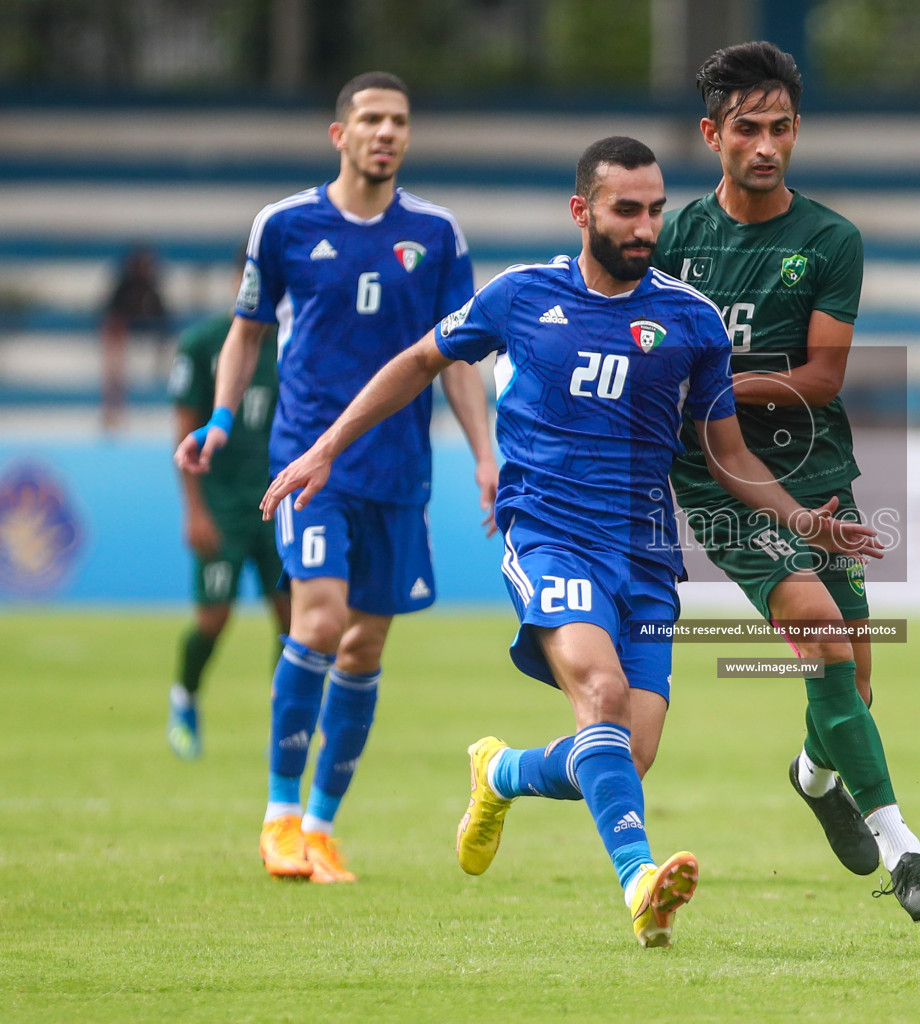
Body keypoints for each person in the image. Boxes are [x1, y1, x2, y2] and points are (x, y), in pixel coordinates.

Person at [259, 136, 881, 947]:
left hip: (649, 558)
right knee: (600, 692)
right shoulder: (521, 296)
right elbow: (417, 361)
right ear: (582, 211)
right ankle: (639, 885)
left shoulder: (690, 321)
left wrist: (801, 520)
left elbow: (728, 454)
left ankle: (502, 772)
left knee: (630, 751)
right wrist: (326, 448)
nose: (646, 226)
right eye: (627, 209)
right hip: (549, 536)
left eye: (657, 210)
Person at [651, 41, 920, 922]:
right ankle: (908, 857)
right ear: (713, 134)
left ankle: (814, 775)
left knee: (853, 683)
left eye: (781, 128)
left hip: (816, 471)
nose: (766, 146)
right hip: (714, 476)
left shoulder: (829, 239)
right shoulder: (672, 240)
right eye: (747, 129)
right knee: (822, 634)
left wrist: (709, 380)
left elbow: (821, 378)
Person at [175, 72, 497, 884]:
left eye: (399, 121)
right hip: (309, 461)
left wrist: (485, 456)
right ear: (339, 134)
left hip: (400, 470)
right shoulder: (284, 225)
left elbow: (454, 359)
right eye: (372, 120)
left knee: (366, 642)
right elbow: (246, 337)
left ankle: (320, 827)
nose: (387, 133)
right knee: (317, 620)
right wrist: (218, 418)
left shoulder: (437, 232)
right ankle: (279, 817)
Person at [166, 256, 290, 760]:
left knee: (293, 622)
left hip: (279, 503)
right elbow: (184, 429)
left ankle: (285, 721)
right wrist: (194, 510)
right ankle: (185, 698)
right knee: (214, 618)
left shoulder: (294, 344)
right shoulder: (204, 344)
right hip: (220, 506)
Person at [101, 245, 170, 432]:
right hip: (124, 342)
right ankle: (113, 408)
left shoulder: (152, 288)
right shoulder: (124, 287)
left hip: (147, 340)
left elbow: (163, 317)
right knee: (114, 337)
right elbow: (110, 313)